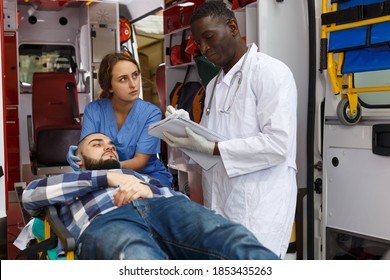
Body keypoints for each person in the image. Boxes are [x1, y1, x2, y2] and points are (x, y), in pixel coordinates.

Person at [163, 0, 297, 258]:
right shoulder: (213, 85)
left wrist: (214, 148)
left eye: (208, 37)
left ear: (233, 27)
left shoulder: (270, 72)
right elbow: (206, 149)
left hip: (260, 206)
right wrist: (183, 132)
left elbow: (278, 145)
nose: (203, 48)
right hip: (221, 202)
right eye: (198, 43)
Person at [22, 132, 279, 260]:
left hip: (164, 208)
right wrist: (107, 178)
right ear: (78, 159)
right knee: (137, 256)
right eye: (97, 145)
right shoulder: (70, 181)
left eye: (111, 145)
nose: (109, 147)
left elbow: (180, 200)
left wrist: (150, 191)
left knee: (229, 237)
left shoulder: (144, 178)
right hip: (106, 221)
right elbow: (31, 195)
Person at [67, 52, 173, 187]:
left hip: (147, 174)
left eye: (135, 75)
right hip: (103, 174)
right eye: (123, 79)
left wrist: (107, 167)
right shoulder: (94, 110)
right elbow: (88, 149)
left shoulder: (151, 113)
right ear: (110, 87)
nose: (133, 84)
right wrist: (78, 155)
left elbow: (140, 161)